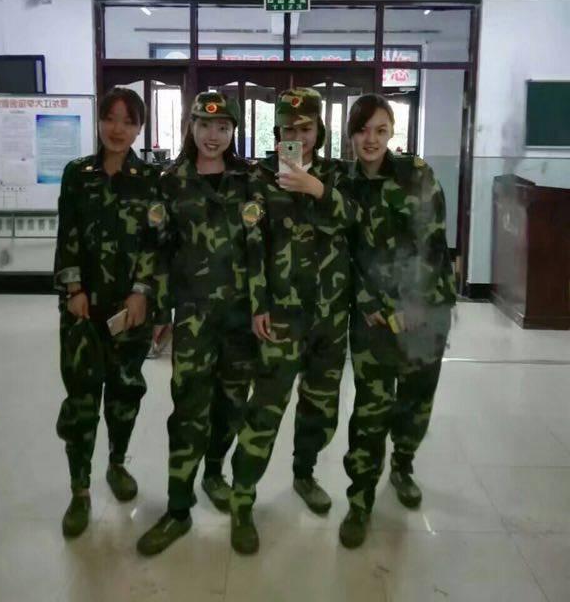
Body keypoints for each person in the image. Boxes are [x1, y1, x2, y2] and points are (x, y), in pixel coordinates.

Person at [229, 87, 359, 555]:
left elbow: (356, 222)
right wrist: (258, 303)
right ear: (276, 131)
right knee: (265, 409)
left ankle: (304, 474)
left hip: (330, 315)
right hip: (282, 315)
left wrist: (317, 189)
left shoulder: (337, 175)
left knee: (320, 407)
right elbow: (252, 243)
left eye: (305, 129)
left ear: (319, 130)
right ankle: (242, 499)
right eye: (288, 129)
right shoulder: (260, 178)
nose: (297, 137)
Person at [137, 92, 258, 556]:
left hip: (240, 319)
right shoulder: (171, 183)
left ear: (233, 132)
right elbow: (158, 249)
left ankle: (214, 472)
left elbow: (261, 247)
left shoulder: (249, 180)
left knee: (232, 405)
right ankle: (178, 508)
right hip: (193, 318)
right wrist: (159, 312)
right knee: (188, 410)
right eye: (205, 126)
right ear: (190, 127)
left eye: (223, 127)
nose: (213, 135)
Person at [339, 93, 457, 549]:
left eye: (380, 130)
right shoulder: (343, 183)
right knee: (371, 407)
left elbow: (432, 243)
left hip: (424, 310)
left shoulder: (416, 174)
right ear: (350, 134)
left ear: (392, 132)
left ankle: (403, 464)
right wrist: (370, 301)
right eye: (362, 130)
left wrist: (413, 302)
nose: (371, 139)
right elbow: (344, 252)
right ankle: (359, 498)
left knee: (415, 399)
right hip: (372, 317)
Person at [54, 86, 162, 538]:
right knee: (81, 402)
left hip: (128, 312)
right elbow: (67, 233)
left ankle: (117, 464)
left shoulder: (150, 179)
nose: (118, 129)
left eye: (128, 121)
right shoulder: (77, 174)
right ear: (99, 121)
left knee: (124, 394)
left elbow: (155, 241)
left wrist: (141, 292)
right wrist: (73, 287)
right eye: (110, 118)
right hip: (82, 309)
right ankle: (79, 490)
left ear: (139, 128)